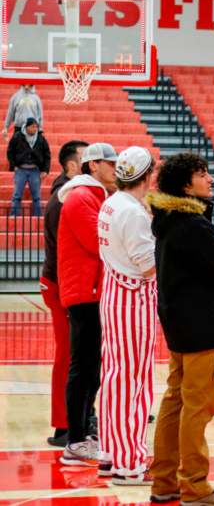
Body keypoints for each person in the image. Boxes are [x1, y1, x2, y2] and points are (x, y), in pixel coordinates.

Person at [148, 153, 214, 506]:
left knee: (175, 402)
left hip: (181, 326)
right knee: (196, 408)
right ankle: (194, 484)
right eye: (202, 174)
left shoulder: (170, 219)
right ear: (185, 185)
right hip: (203, 328)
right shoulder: (190, 224)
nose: (210, 178)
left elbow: (206, 264)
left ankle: (164, 481)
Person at [96, 146, 157, 485]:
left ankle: (110, 452)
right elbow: (148, 267)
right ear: (148, 176)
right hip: (133, 298)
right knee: (132, 382)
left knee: (115, 377)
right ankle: (129, 461)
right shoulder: (132, 212)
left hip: (115, 293)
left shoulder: (111, 202)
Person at [56, 142, 118, 466]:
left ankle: (82, 434)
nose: (115, 168)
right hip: (84, 293)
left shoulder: (95, 197)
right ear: (93, 165)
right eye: (110, 163)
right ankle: (75, 440)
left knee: (91, 367)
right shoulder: (81, 197)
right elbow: (99, 242)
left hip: (93, 290)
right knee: (83, 367)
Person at [40, 140, 87, 447]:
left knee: (78, 355)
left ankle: (81, 415)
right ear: (73, 166)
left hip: (64, 282)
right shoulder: (65, 197)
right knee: (68, 355)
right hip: (61, 285)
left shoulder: (73, 193)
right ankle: (62, 425)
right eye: (88, 159)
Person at [7, 117, 50, 216]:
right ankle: (14, 216)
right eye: (32, 127)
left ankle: (37, 216)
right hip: (20, 169)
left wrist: (45, 170)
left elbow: (47, 155)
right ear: (26, 127)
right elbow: (10, 151)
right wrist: (13, 166)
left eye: (36, 127)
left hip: (35, 170)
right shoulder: (17, 136)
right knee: (17, 195)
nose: (35, 129)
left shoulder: (41, 138)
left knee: (36, 196)